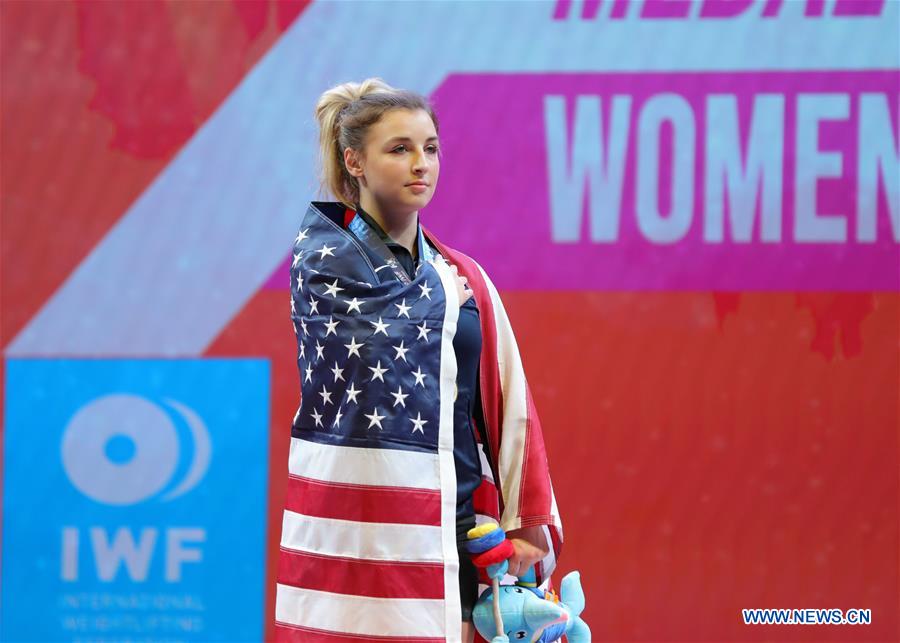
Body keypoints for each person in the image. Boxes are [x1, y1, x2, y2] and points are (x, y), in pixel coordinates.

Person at [274, 78, 563, 643]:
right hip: (367, 531)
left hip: (460, 532)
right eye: (399, 148)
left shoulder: (461, 276)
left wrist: (517, 522)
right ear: (353, 161)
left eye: (430, 148)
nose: (420, 164)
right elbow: (387, 362)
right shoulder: (324, 260)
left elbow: (498, 405)